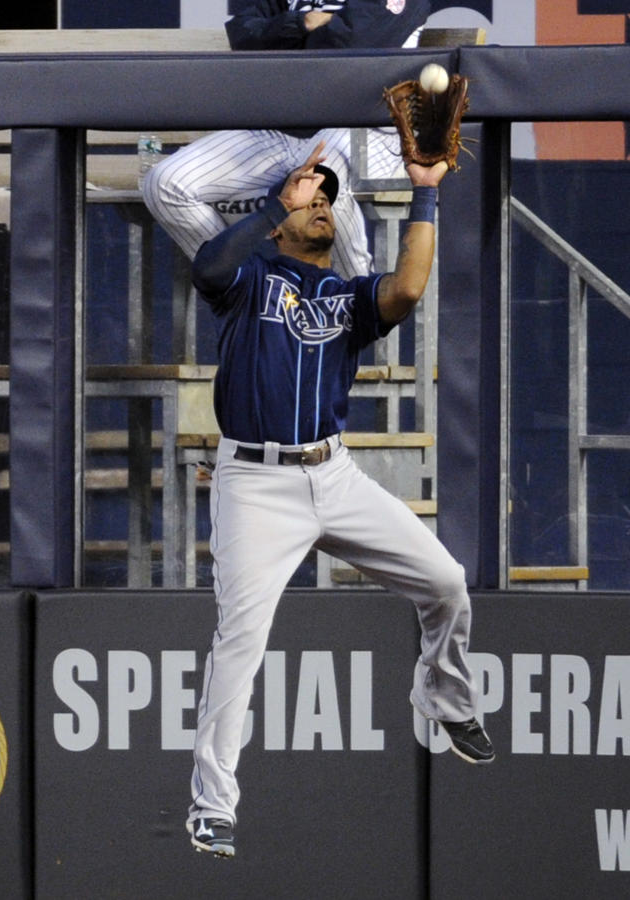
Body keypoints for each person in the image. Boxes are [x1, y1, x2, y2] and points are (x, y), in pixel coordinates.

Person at [185, 141, 495, 860]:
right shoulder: (251, 278)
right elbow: (208, 267)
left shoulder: (347, 298)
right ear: (278, 218)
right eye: (308, 197)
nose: (318, 202)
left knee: (446, 583)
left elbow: (410, 289)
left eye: (328, 198)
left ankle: (444, 700)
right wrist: (274, 203)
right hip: (256, 484)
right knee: (240, 643)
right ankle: (212, 807)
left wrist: (426, 191)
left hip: (333, 474)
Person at [141, 0, 432, 279]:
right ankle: (252, 297)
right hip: (284, 127)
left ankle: (355, 315)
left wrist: (285, 36)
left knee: (322, 182)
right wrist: (303, 22)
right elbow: (243, 35)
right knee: (165, 184)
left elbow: (350, 45)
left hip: (364, 130)